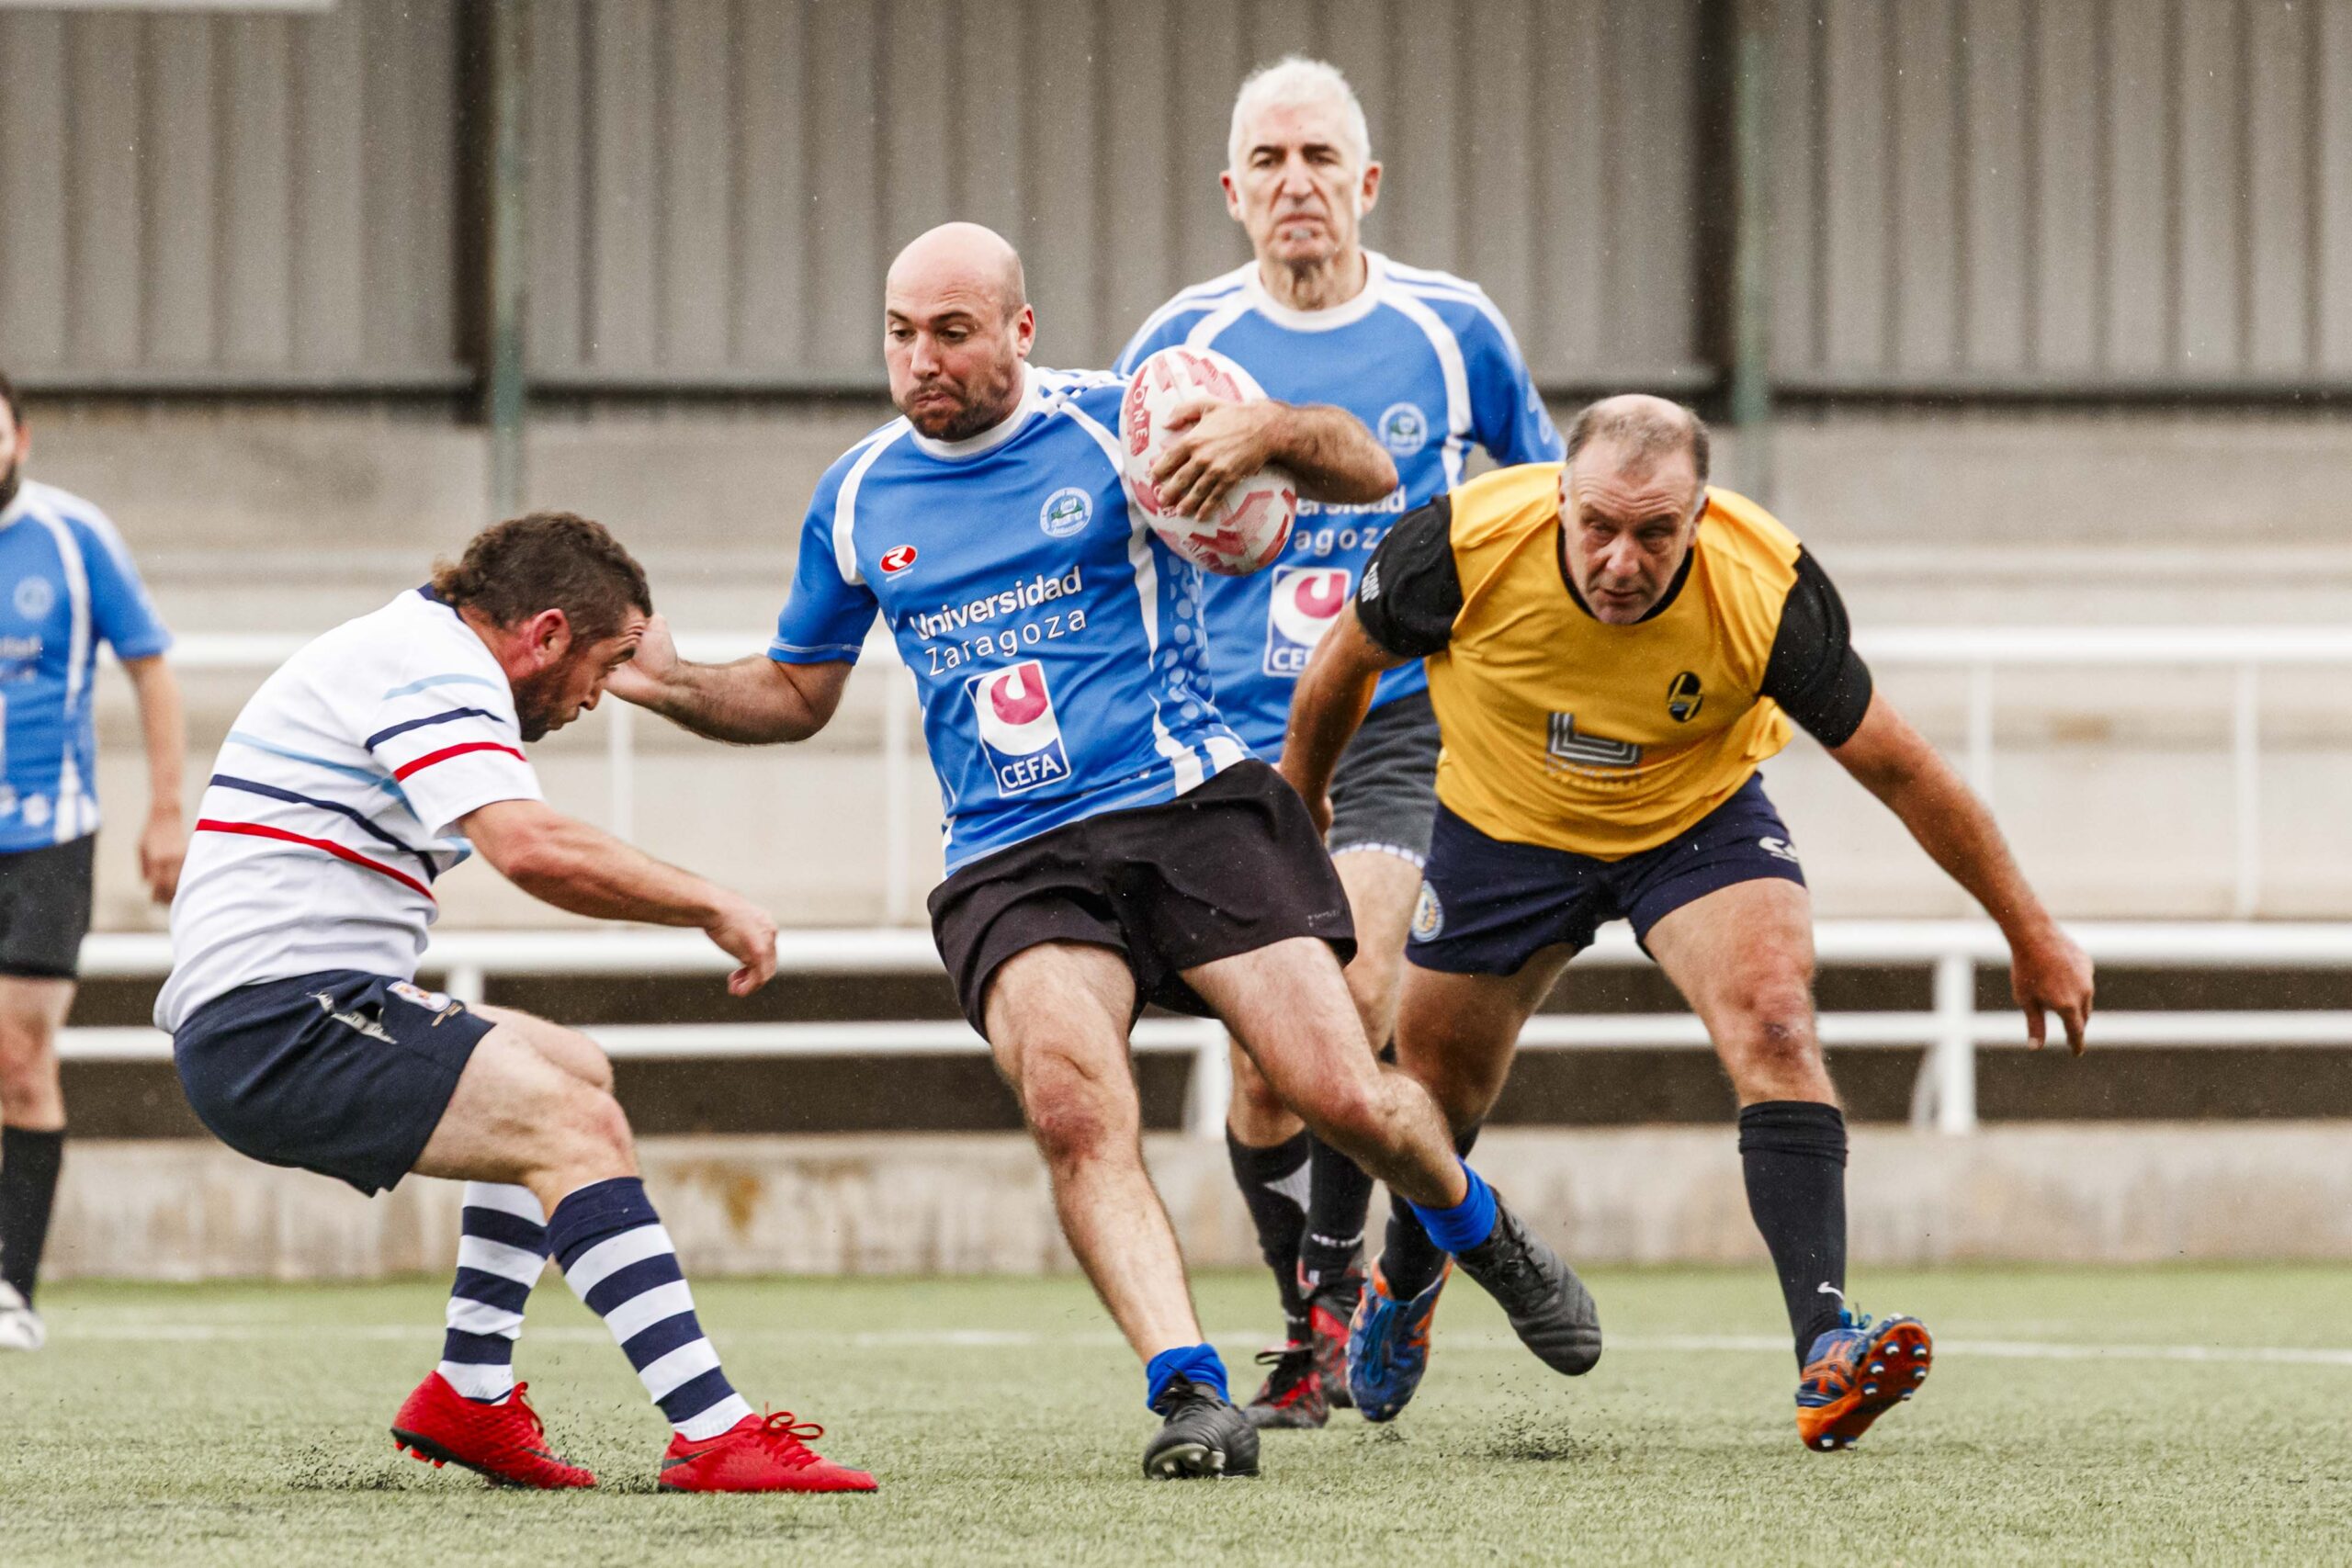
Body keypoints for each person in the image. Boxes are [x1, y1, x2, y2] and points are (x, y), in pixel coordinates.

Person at [612, 221, 1600, 1481]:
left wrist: (1270, 433)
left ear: (1021, 330)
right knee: (1075, 1106)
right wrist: (669, 682)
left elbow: (1363, 472)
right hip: (1013, 858)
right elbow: (796, 690)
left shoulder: (1124, 423)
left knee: (1337, 1089)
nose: (923, 359)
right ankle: (1191, 1390)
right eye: (901, 332)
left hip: (1185, 806)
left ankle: (1476, 1224)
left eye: (953, 331)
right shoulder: (857, 494)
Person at [1280, 395, 2096, 1450]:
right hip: (1502, 831)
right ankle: (1405, 1276)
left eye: (1656, 532)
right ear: (1560, 499)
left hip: (1692, 821)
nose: (1624, 559)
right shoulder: (1463, 544)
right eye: (1600, 527)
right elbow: (1341, 667)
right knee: (1430, 1096)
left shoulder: (1768, 593)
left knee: (1774, 1022)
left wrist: (2028, 931)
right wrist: (1301, 806)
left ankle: (1826, 1347)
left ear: (1700, 516)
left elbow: (1900, 766)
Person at [157, 513, 873, 1493]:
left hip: (302, 1002)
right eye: (606, 663)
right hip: (277, 1019)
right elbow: (530, 849)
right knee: (574, 1123)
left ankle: (469, 1393)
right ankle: (714, 1433)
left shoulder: (415, 647)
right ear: (541, 634)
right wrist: (713, 902)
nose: (600, 696)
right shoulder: (432, 666)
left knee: (571, 1070)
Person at [1115, 57, 1565, 1427]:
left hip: (1400, 724)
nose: (1296, 183)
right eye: (1271, 161)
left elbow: (1546, 491)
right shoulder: (1177, 345)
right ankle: (1309, 1318)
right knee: (1259, 1061)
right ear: (1233, 191)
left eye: (1321, 158)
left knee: (1358, 994)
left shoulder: (1449, 328)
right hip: (1234, 740)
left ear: (1365, 183)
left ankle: (1342, 1272)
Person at [0, 369, 187, 1351]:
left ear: (21, 439)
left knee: (20, 1060)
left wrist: (165, 810)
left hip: (45, 837)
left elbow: (150, 666)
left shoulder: (73, 539)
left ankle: (10, 1290)